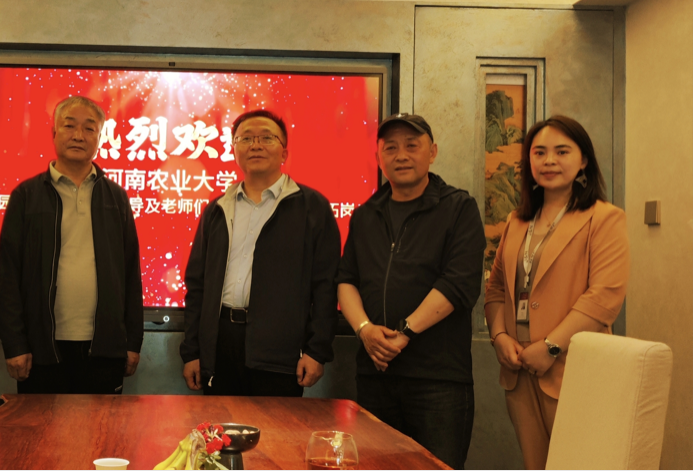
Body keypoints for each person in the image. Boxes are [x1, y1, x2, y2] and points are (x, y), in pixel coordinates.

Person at [336, 113, 485, 470]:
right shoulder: (366, 214)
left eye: (412, 146)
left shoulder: (458, 208)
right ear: (378, 158)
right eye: (391, 148)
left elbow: (458, 282)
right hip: (376, 374)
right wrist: (364, 330)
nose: (401, 155)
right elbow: (346, 280)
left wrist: (404, 334)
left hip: (437, 380)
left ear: (432, 152)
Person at [485, 115, 628, 470]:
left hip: (572, 367)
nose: (549, 161)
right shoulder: (517, 221)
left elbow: (604, 297)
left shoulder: (604, 218)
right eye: (539, 152)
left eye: (562, 152)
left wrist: (550, 346)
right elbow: (497, 288)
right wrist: (499, 336)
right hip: (519, 368)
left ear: (583, 160)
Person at [180, 109, 339, 397]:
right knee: (222, 424)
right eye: (246, 139)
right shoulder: (218, 208)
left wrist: (317, 350)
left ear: (284, 152)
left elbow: (326, 286)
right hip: (220, 346)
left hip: (280, 352)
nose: (255, 145)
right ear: (234, 150)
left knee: (275, 426)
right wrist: (192, 350)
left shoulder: (312, 207)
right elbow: (197, 285)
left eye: (267, 138)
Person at [0, 96, 143, 394]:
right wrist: (14, 344)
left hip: (104, 348)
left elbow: (130, 275)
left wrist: (132, 342)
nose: (79, 135)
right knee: (42, 426)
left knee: (102, 426)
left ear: (100, 138)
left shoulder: (116, 197)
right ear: (54, 133)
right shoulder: (26, 196)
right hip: (41, 348)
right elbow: (9, 276)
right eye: (69, 126)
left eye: (89, 129)